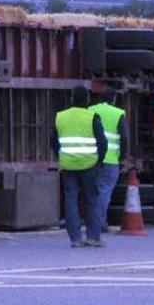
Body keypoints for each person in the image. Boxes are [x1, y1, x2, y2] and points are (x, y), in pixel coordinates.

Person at [52, 86, 109, 247]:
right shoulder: (92, 117)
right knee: (92, 199)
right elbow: (102, 142)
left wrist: (62, 156)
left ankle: (75, 238)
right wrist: (99, 161)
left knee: (71, 200)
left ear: (72, 98)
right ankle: (93, 237)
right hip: (90, 165)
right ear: (88, 99)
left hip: (68, 166)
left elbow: (53, 141)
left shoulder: (60, 117)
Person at [88, 88, 129, 233]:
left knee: (95, 191)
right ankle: (98, 223)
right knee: (105, 191)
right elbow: (124, 137)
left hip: (92, 158)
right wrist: (122, 157)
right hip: (111, 159)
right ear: (114, 99)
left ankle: (99, 221)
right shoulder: (118, 113)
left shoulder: (90, 110)